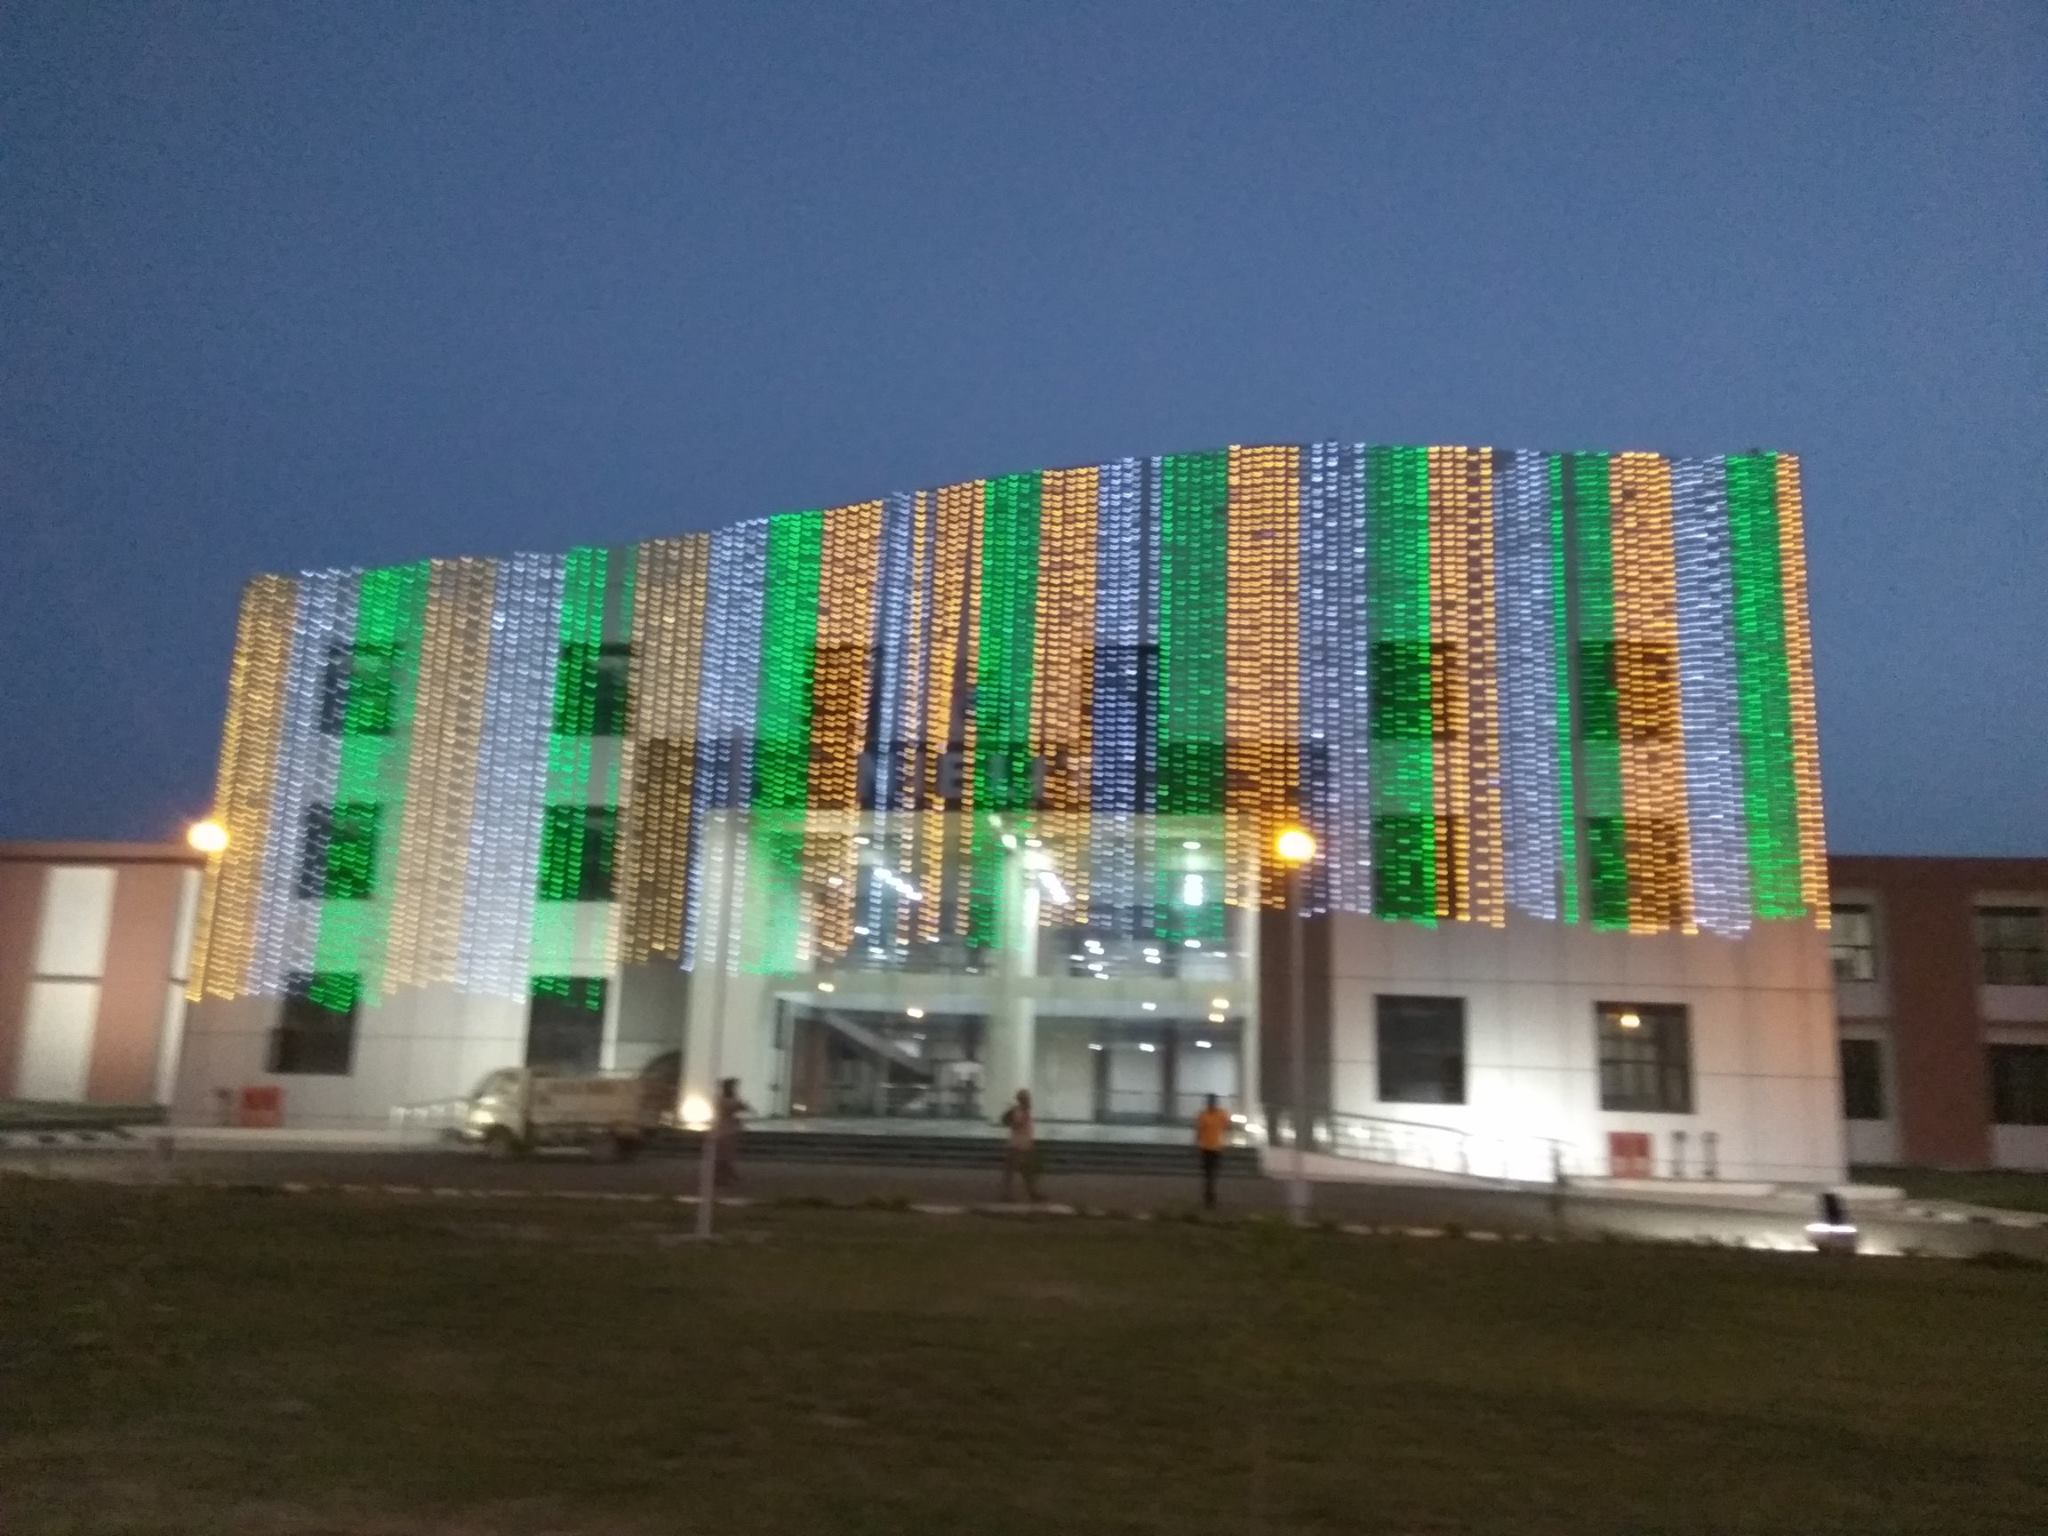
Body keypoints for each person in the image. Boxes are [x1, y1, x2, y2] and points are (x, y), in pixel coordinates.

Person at [998, 1088, 1041, 1203]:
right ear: (1023, 1100)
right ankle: (1006, 1194)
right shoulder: (1018, 1111)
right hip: (1016, 1145)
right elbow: (1015, 1125)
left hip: (1025, 1144)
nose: (1030, 1101)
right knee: (1011, 1170)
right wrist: (1022, 1118)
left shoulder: (1024, 1111)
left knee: (1027, 1171)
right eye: (1027, 1098)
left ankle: (1032, 1192)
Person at [1193, 1093, 1232, 1211]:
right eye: (1209, 1102)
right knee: (1208, 1174)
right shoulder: (1203, 1115)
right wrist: (1197, 1143)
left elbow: (1228, 1127)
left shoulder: (1222, 1114)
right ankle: (1209, 1195)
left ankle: (1209, 1194)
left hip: (1216, 1148)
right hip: (1205, 1148)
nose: (1211, 1104)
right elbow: (1199, 1130)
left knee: (1212, 1174)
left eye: (1212, 1102)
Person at [712, 1077, 752, 1188]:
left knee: (725, 1155)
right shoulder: (725, 1101)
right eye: (732, 1087)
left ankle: (725, 1175)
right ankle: (723, 1176)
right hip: (725, 1131)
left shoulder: (722, 1100)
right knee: (724, 1155)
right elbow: (740, 1106)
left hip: (727, 1130)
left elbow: (741, 1107)